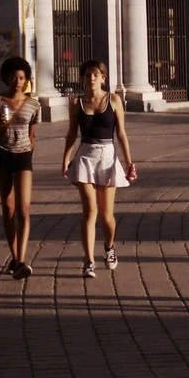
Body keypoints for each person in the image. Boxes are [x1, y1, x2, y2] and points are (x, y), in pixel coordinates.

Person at [59, 59, 137, 278]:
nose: (91, 78)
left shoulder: (113, 100)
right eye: (87, 75)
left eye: (95, 74)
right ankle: (88, 260)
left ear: (103, 77)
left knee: (106, 216)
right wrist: (65, 158)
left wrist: (129, 161)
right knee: (89, 211)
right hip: (85, 156)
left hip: (108, 157)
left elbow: (121, 132)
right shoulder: (76, 103)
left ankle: (109, 248)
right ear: (82, 78)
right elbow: (72, 132)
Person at [0, 56, 41, 279]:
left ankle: (22, 260)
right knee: (8, 207)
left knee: (24, 209)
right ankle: (14, 257)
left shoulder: (34, 104)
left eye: (22, 78)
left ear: (27, 80)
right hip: (3, 155)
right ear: (7, 78)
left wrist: (28, 152)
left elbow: (33, 135)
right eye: (14, 77)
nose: (18, 81)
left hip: (24, 157)